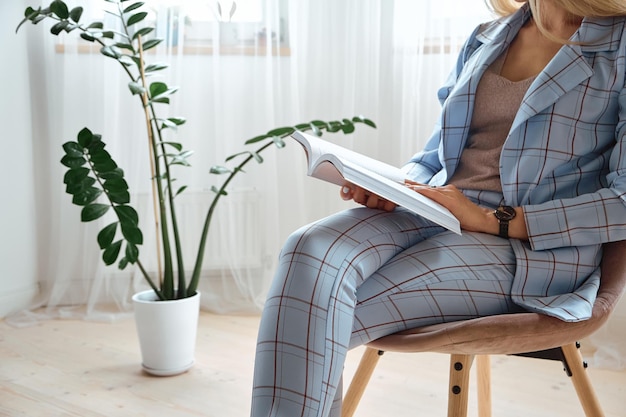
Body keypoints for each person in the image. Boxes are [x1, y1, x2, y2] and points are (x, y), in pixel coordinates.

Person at [250, 0, 626, 416]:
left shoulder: (620, 42)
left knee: (311, 313)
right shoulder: (489, 35)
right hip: (437, 209)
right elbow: (434, 157)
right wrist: (391, 185)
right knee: (308, 246)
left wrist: (492, 220)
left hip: (532, 248)